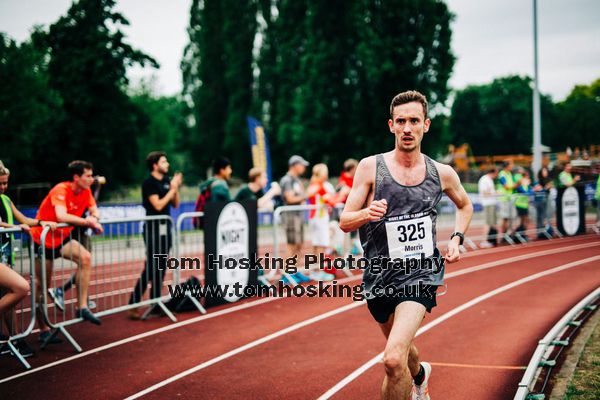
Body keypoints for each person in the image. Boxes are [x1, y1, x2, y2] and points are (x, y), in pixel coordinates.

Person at [340, 90, 473, 400]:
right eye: (401, 121)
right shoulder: (370, 167)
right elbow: (346, 220)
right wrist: (365, 213)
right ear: (391, 125)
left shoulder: (442, 173)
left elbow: (465, 206)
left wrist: (456, 239)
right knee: (403, 351)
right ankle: (421, 375)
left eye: (414, 121)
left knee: (392, 358)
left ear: (426, 125)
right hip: (379, 274)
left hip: (420, 275)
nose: (408, 128)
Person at [31, 161, 104, 345]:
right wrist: (88, 222)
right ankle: (43, 329)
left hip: (61, 238)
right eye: (88, 175)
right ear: (76, 177)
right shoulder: (60, 190)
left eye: (92, 175)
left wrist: (94, 219)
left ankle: (81, 306)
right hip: (42, 239)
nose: (91, 179)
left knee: (85, 258)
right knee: (42, 285)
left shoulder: (86, 191)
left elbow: (96, 211)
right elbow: (61, 216)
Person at [0, 161, 56, 357]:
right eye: (0, 183)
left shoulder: (5, 200)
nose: (3, 187)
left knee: (8, 296)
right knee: (21, 288)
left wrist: (41, 222)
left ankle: (14, 339)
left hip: (5, 255)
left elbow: (23, 219)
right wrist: (12, 227)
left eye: (5, 183)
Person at [128, 152, 182, 320]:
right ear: (154, 165)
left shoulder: (166, 181)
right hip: (152, 228)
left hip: (165, 228)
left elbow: (175, 204)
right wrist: (172, 189)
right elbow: (157, 205)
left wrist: (175, 189)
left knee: (161, 266)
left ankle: (155, 303)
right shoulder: (149, 183)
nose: (167, 164)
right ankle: (134, 303)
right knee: (151, 266)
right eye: (164, 161)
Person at [279, 155, 311, 283]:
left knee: (299, 244)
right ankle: (286, 274)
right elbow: (290, 199)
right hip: (290, 215)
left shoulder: (296, 180)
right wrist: (306, 195)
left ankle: (295, 271)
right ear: (294, 165)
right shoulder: (287, 180)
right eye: (302, 165)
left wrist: (304, 195)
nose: (303, 167)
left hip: (298, 215)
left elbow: (300, 195)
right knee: (291, 244)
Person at [306, 163, 336, 280]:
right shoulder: (319, 185)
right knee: (321, 245)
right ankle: (318, 270)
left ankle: (314, 270)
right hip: (319, 218)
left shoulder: (314, 184)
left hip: (315, 218)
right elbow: (331, 200)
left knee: (316, 244)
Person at [496, 160, 521, 242]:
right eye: (511, 164)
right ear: (507, 166)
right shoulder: (502, 174)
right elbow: (506, 186)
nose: (513, 166)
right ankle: (503, 236)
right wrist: (516, 185)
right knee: (504, 218)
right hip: (504, 199)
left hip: (509, 198)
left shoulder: (509, 173)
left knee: (510, 217)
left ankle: (508, 234)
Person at [477, 167, 498, 247]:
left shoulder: (488, 179)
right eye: (496, 173)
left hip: (491, 203)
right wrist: (494, 193)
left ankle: (491, 239)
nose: (497, 175)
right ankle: (484, 241)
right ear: (493, 172)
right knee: (487, 223)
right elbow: (484, 192)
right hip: (487, 203)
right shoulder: (484, 179)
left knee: (492, 222)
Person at [514, 169, 533, 241]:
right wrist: (528, 187)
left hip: (525, 205)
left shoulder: (527, 185)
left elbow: (531, 192)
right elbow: (524, 192)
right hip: (519, 205)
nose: (528, 179)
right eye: (527, 178)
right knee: (523, 221)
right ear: (523, 178)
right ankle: (517, 235)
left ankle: (521, 234)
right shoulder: (520, 185)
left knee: (526, 221)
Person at [534, 166, 553, 239]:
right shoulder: (538, 181)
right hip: (539, 201)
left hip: (546, 200)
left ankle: (544, 231)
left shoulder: (548, 180)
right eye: (543, 171)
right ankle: (539, 233)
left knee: (544, 216)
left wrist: (546, 188)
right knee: (539, 217)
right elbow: (536, 189)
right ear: (541, 173)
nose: (545, 173)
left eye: (546, 171)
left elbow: (549, 189)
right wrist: (544, 188)